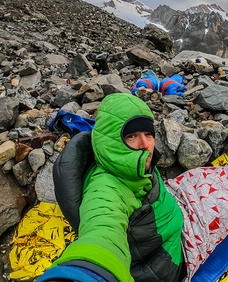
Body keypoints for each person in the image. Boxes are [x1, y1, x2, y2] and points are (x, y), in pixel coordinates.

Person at [38, 93, 186, 282]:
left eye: (148, 134)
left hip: (171, 240)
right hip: (163, 267)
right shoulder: (105, 188)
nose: (145, 145)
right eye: (131, 136)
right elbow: (103, 230)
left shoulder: (135, 166)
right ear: (111, 141)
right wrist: (88, 274)